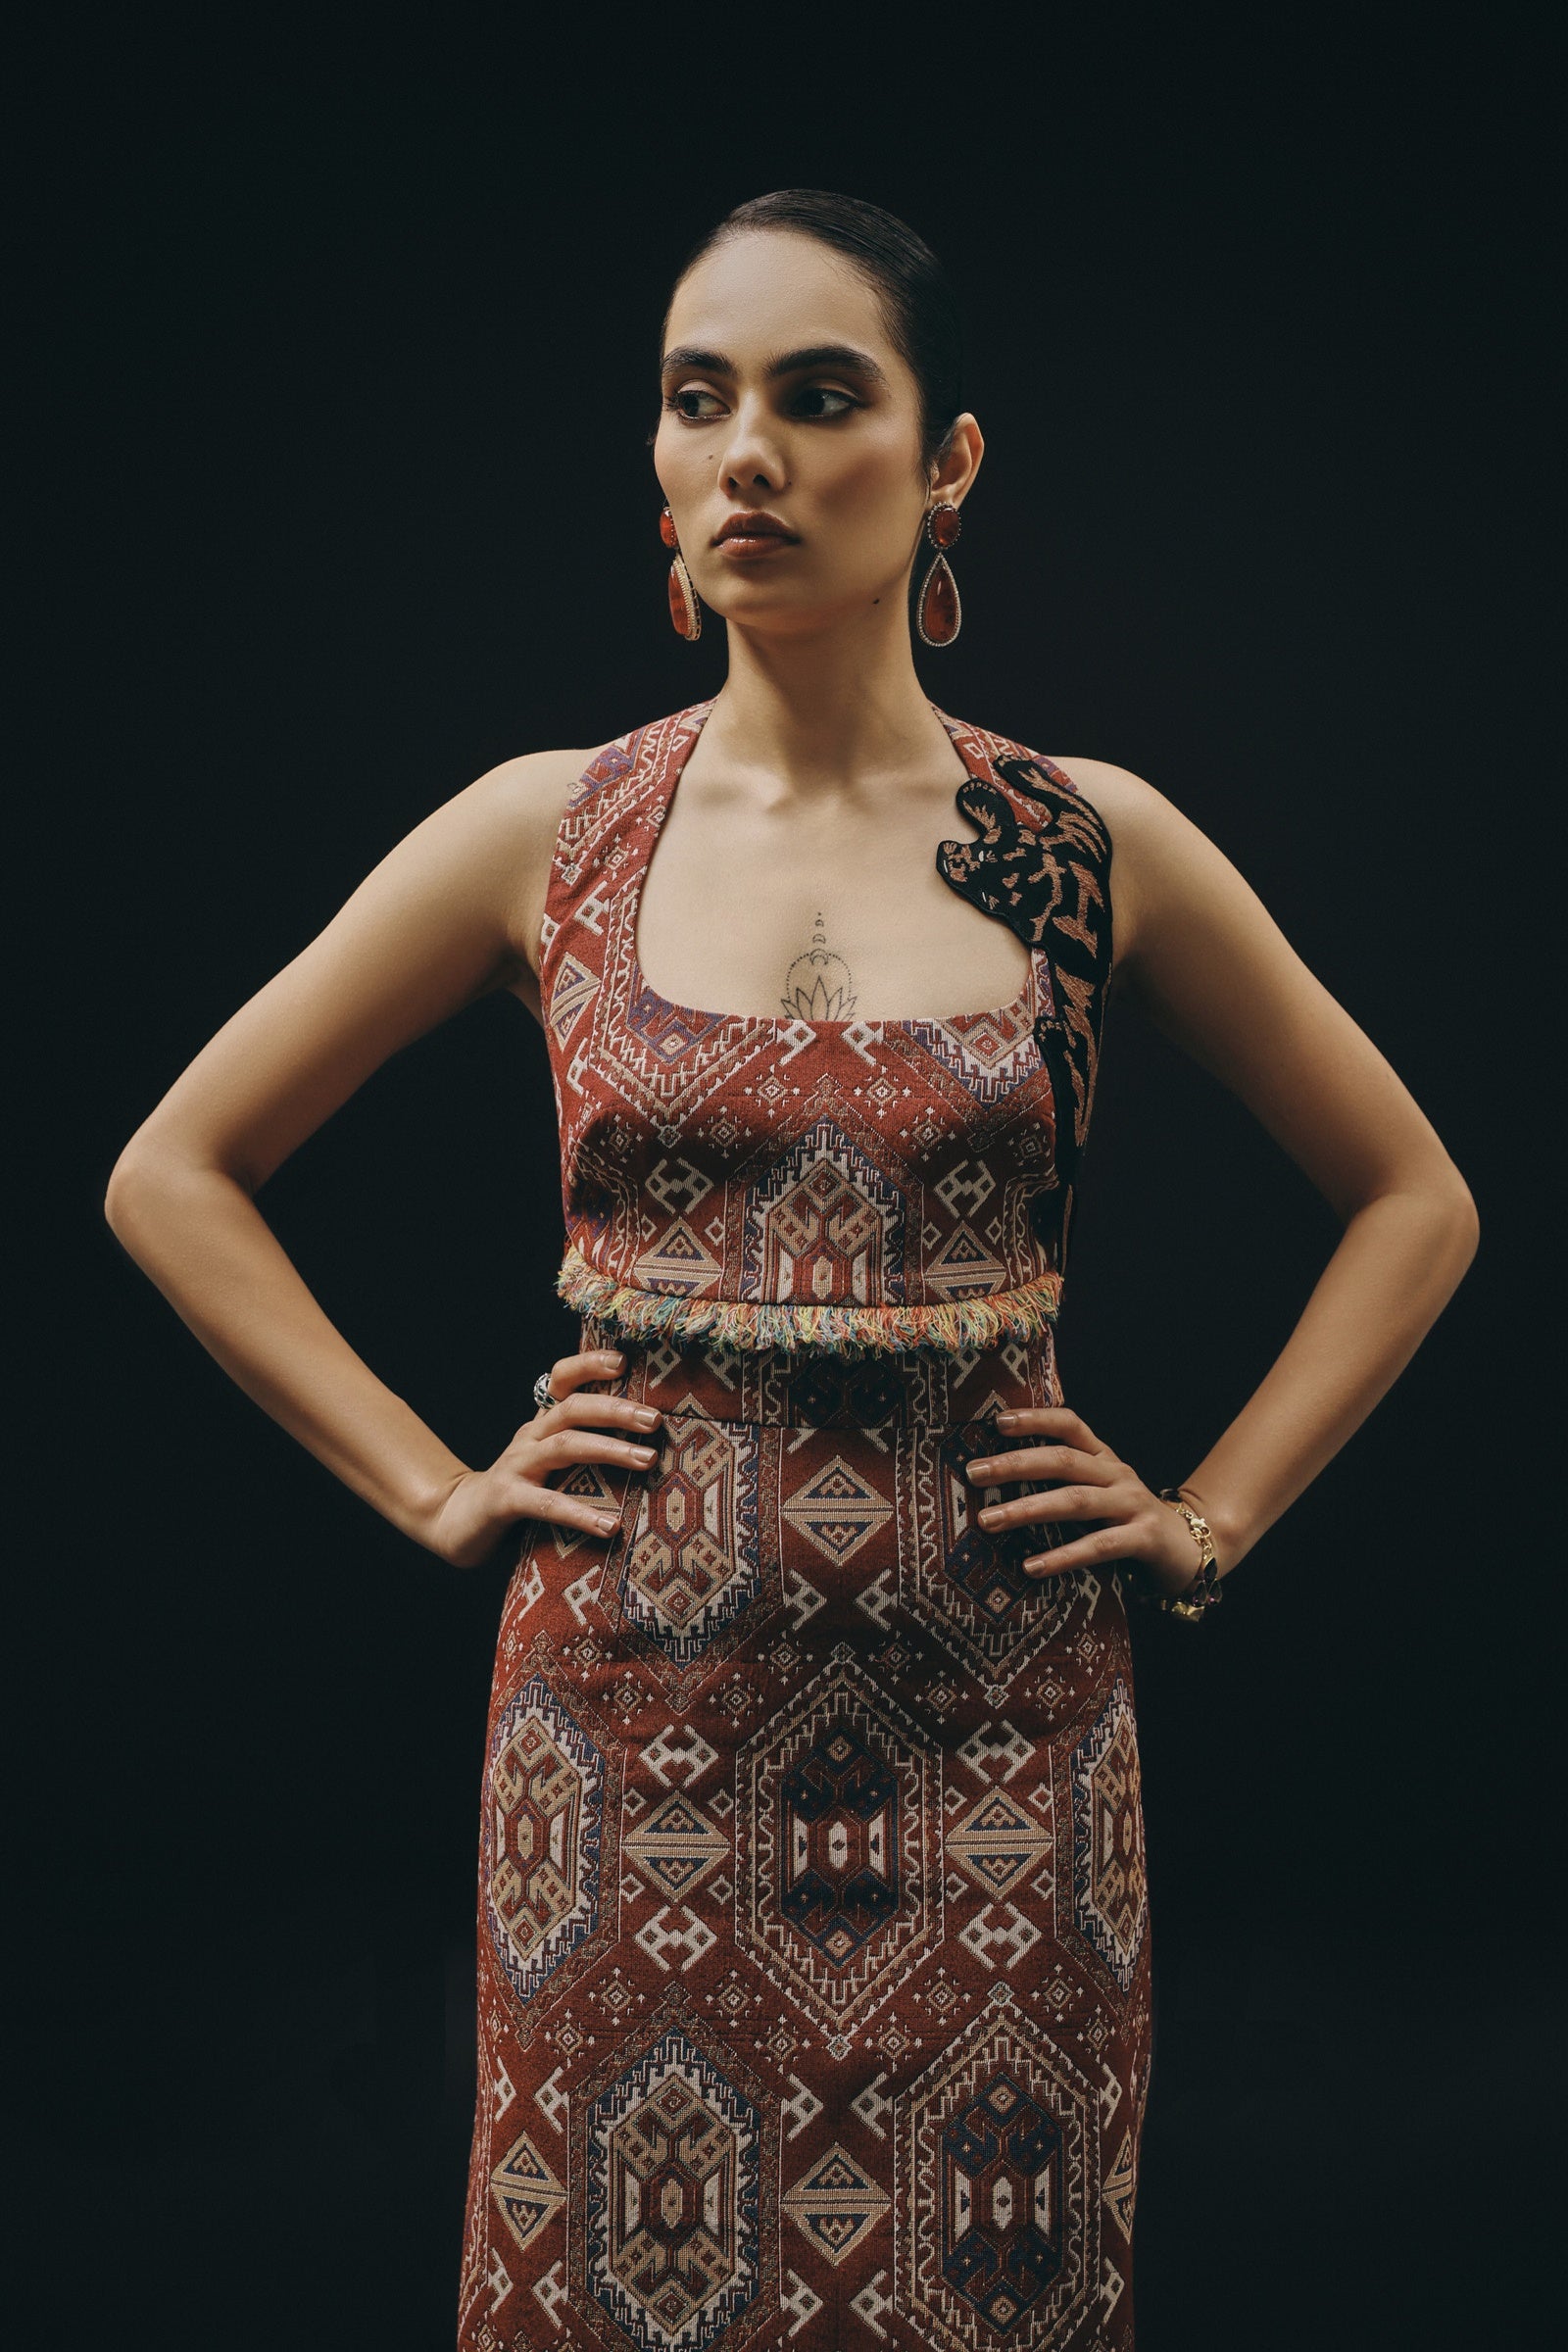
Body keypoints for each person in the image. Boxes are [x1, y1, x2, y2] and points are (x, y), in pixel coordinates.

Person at [104, 190, 1478, 2350]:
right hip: (626, 1728)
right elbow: (174, 1172)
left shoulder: (1076, 844)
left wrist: (1205, 1520)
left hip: (1008, 1738)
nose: (746, 450)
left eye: (820, 396)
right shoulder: (551, 832)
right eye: (696, 397)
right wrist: (434, 1487)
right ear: (658, 462)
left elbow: (1414, 1199)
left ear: (946, 464)